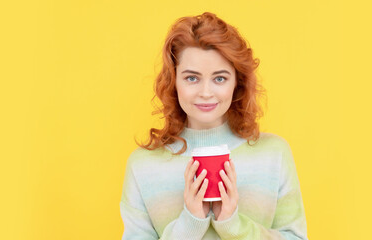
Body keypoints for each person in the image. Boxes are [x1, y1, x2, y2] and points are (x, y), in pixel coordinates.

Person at [119, 12, 307, 239]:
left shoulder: (274, 154)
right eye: (191, 78)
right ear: (174, 81)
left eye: (220, 78)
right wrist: (189, 223)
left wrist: (233, 225)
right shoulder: (142, 166)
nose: (206, 93)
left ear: (237, 82)